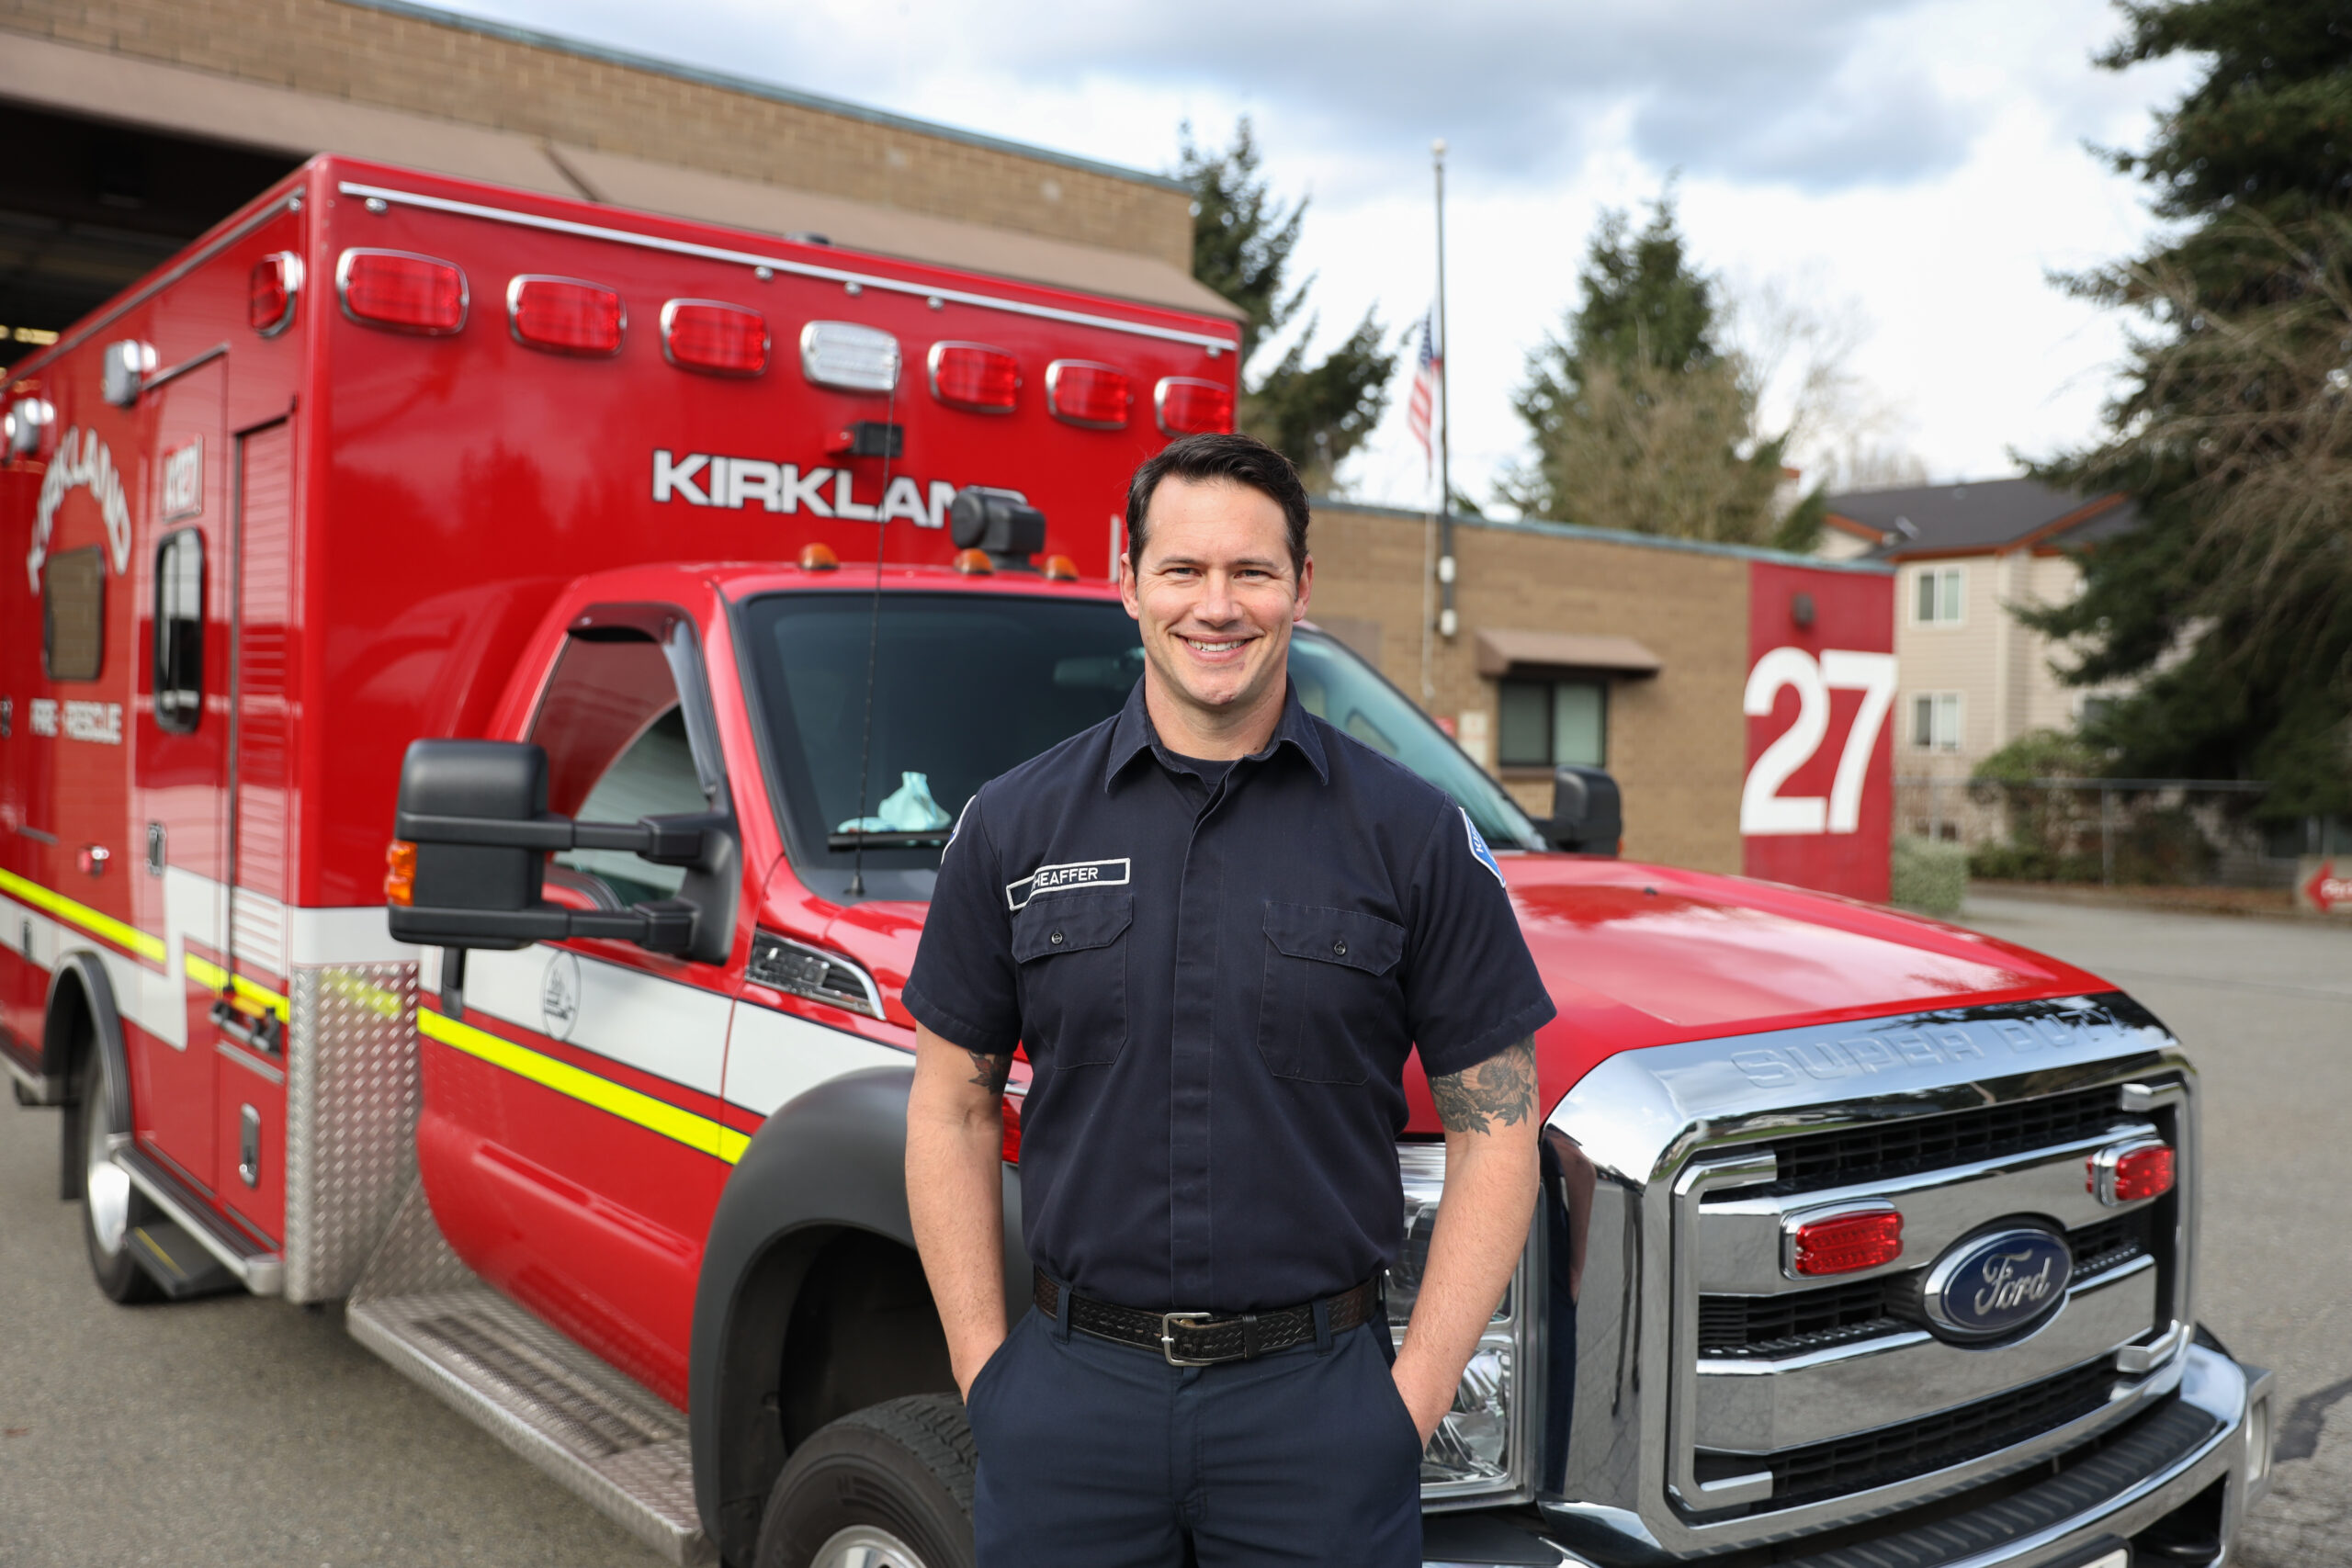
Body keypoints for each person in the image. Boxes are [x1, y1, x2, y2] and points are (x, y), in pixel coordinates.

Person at [902, 431, 1555, 1568]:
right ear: (1127, 583)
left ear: (1301, 588)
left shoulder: (1414, 839)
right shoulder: (1011, 828)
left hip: (1318, 1416)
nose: (1217, 606)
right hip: (1069, 1408)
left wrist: (1402, 1408)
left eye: (1251, 572)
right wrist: (987, 1375)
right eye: (1183, 571)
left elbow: (1498, 1128)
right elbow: (950, 1106)